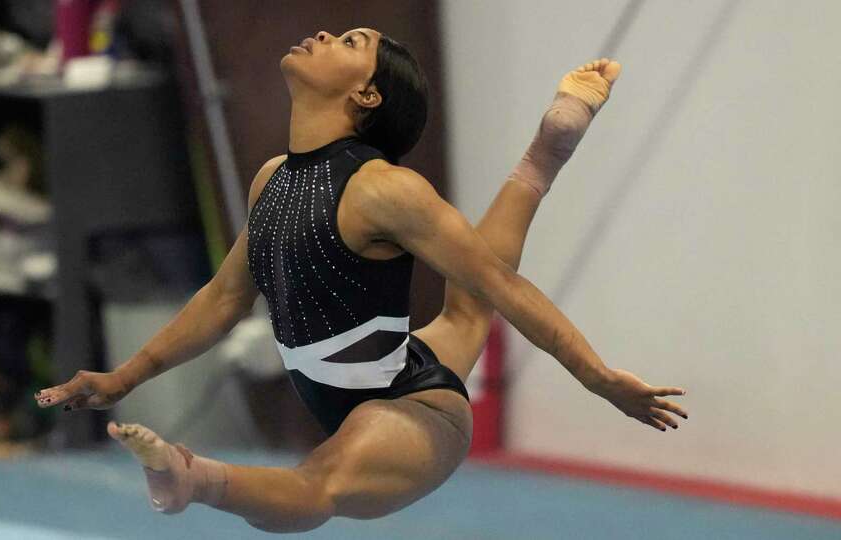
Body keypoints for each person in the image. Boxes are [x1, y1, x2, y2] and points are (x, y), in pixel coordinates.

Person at [36, 28, 688, 533]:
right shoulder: (273, 179)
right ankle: (551, 142)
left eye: (349, 43)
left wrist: (598, 377)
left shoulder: (384, 191)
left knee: (322, 482)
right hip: (393, 364)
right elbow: (222, 300)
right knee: (462, 316)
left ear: (366, 95)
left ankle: (193, 480)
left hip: (413, 410)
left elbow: (504, 288)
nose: (323, 36)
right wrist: (124, 378)